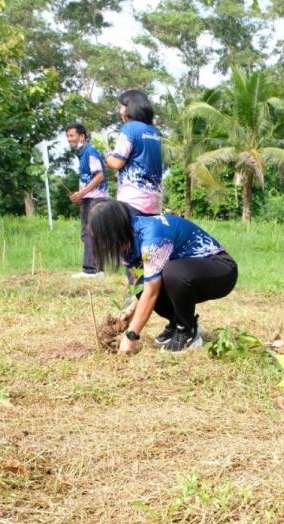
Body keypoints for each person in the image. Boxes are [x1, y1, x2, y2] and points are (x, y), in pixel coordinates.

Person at [87, 199, 237, 353]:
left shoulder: (153, 237)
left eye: (99, 237)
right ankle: (178, 323)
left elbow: (151, 292)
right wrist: (130, 310)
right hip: (187, 272)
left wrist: (131, 336)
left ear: (112, 231)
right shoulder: (126, 245)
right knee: (141, 285)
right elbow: (142, 283)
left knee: (172, 272)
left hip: (221, 269)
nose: (100, 244)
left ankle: (187, 331)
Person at [104, 90, 162, 216]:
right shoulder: (153, 132)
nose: (120, 111)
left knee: (130, 235)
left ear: (130, 108)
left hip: (133, 200)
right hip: (154, 202)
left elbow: (117, 162)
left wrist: (106, 155)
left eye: (121, 107)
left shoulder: (130, 128)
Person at [64, 123, 108, 278]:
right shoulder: (82, 154)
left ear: (81, 136)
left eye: (71, 136)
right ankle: (98, 270)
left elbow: (99, 175)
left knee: (89, 233)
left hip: (95, 199)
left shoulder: (90, 152)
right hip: (89, 198)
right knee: (93, 233)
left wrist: (82, 193)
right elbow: (85, 178)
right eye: (67, 136)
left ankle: (90, 270)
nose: (69, 139)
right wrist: (79, 195)